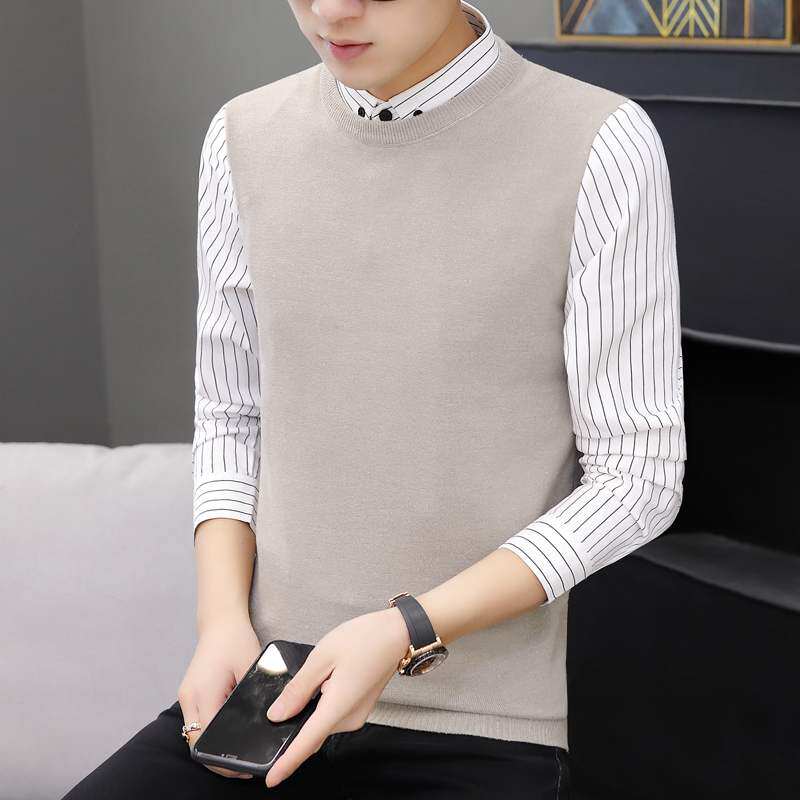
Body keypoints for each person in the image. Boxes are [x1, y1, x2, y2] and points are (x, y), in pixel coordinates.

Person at [61, 1, 685, 797]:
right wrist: (220, 625)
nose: (331, 10)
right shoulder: (244, 136)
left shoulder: (599, 141)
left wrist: (404, 630)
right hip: (268, 695)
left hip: (477, 727)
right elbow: (232, 416)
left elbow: (638, 477)